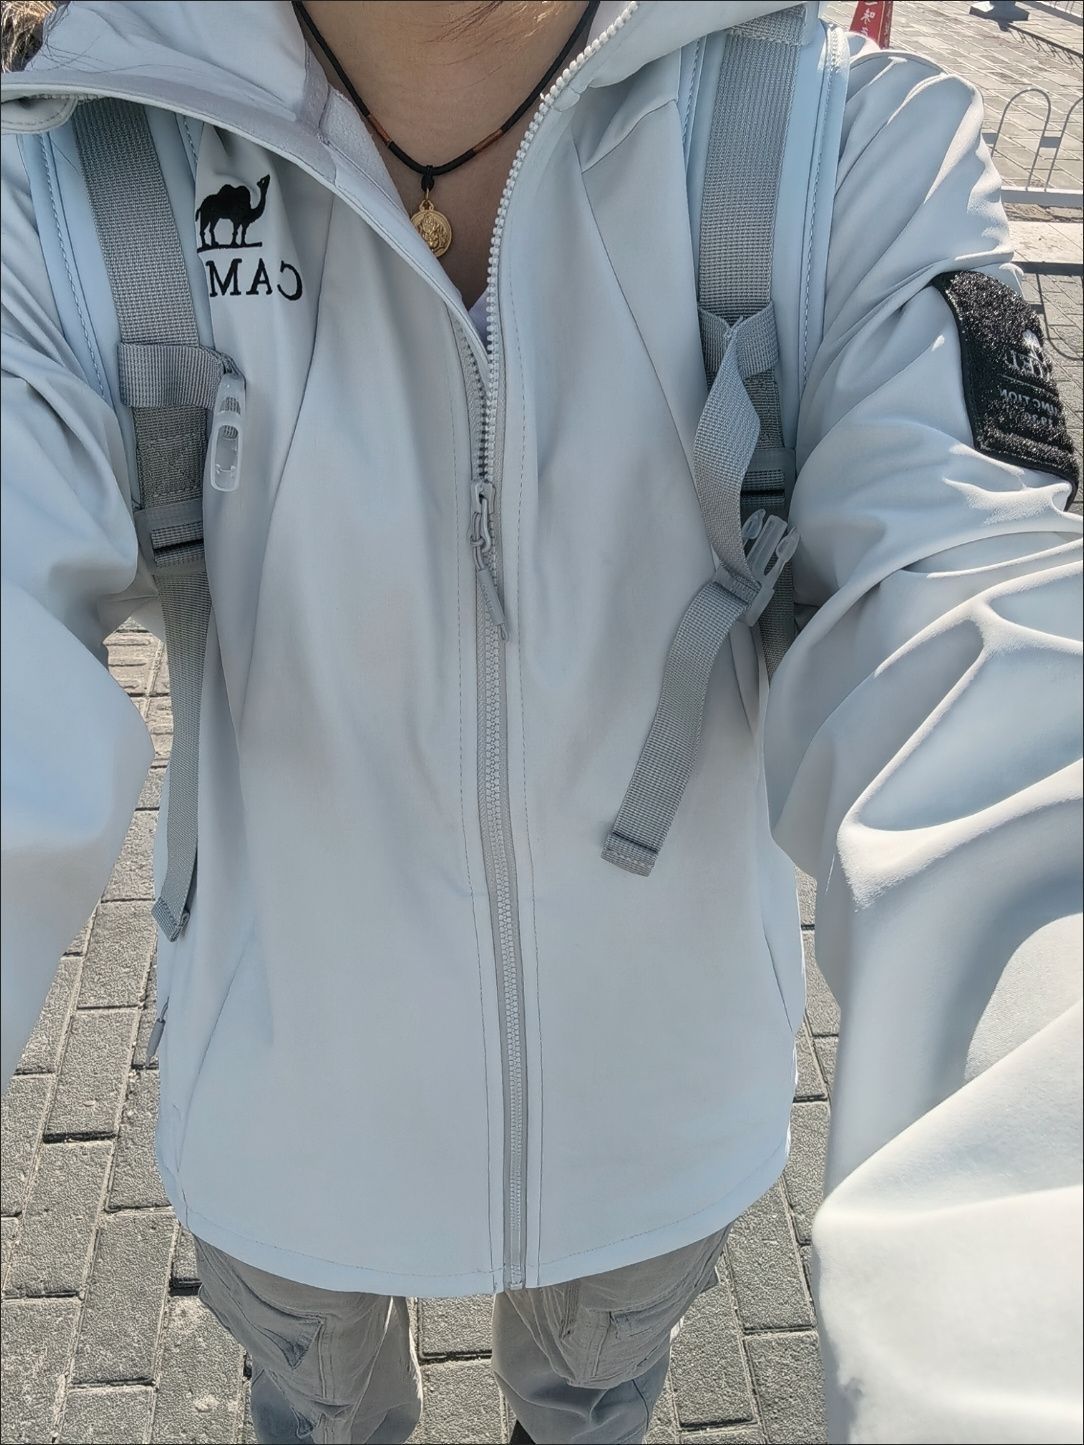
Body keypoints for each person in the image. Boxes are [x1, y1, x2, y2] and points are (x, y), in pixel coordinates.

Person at [1, 2, 1080, 1442]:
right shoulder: (69, 200)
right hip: (301, 1141)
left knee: (576, 1409)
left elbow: (1002, 700)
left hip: (636, 1142)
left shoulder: (838, 162)